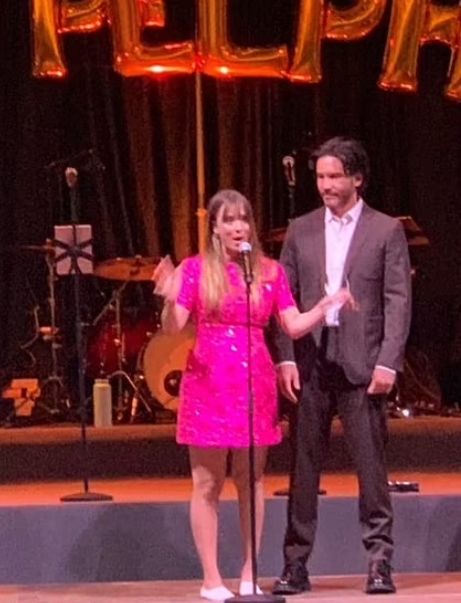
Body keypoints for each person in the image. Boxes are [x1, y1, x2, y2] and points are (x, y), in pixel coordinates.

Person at [152, 189, 352, 602]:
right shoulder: (195, 270)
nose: (238, 226)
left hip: (254, 380)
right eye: (228, 220)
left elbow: (291, 324)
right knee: (207, 482)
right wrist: (169, 297)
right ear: (214, 228)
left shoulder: (268, 272)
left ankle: (249, 573)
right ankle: (211, 579)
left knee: (252, 479)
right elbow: (174, 327)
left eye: (243, 218)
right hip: (209, 381)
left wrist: (325, 306)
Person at [271, 137, 412, 596]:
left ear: (357, 178)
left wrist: (388, 361)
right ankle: (295, 565)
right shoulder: (301, 229)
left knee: (371, 469)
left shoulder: (385, 230)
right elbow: (284, 297)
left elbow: (397, 300)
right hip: (311, 362)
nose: (326, 185)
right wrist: (286, 356)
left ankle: (380, 562)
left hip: (363, 364)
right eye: (320, 177)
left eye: (334, 176)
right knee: (303, 470)